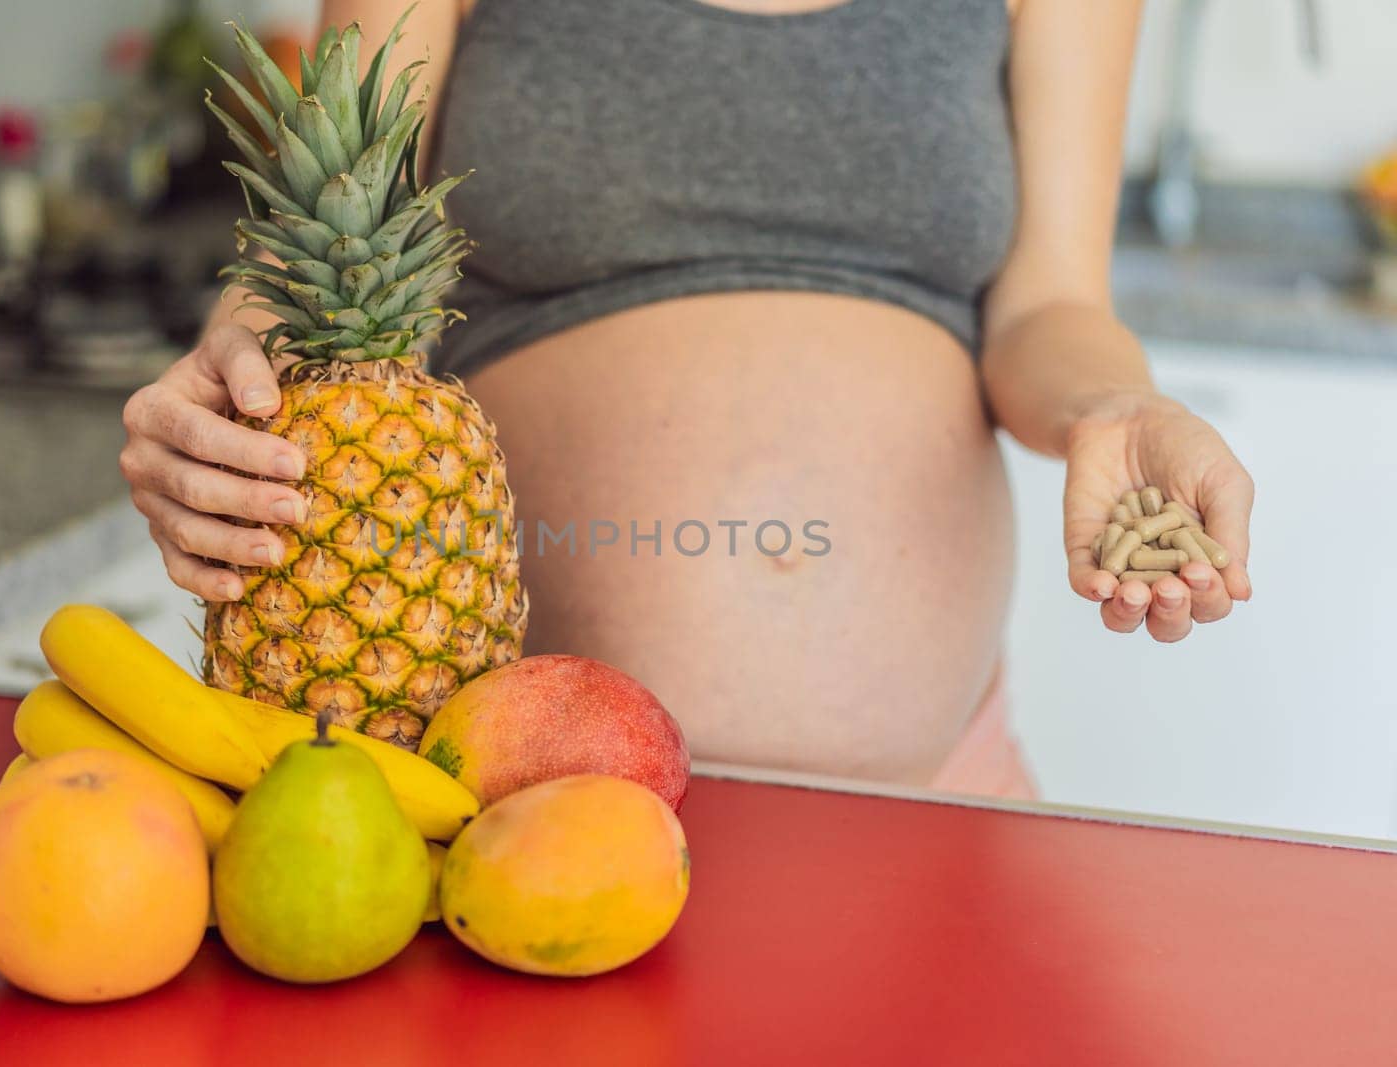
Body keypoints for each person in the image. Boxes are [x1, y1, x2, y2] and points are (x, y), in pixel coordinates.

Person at [118, 0, 1254, 798]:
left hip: (936, 789)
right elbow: (332, 235)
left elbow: (1046, 303)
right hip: (492, 804)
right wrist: (239, 363)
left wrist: (1112, 401)